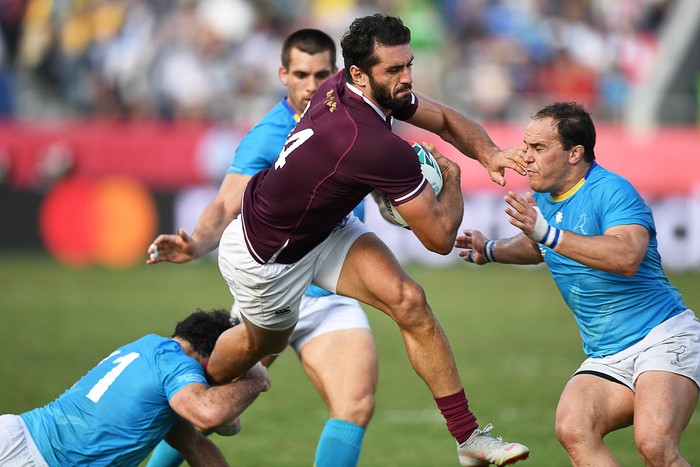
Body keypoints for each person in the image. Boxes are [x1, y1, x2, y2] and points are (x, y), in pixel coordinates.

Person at [149, 14, 530, 466]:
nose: (406, 77)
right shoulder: (370, 144)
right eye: (394, 70)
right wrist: (454, 178)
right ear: (358, 75)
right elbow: (441, 239)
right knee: (259, 347)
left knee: (409, 300)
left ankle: (469, 440)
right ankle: (186, 392)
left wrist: (489, 152)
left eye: (408, 64)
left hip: (322, 230)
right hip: (266, 259)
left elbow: (443, 117)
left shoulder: (353, 89)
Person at [147, 28, 378, 467]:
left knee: (356, 405)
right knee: (203, 412)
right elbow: (225, 201)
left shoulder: (355, 117)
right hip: (270, 292)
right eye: (301, 74)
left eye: (322, 73)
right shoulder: (268, 135)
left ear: (339, 73)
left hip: (330, 296)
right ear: (283, 75)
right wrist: (195, 244)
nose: (312, 85)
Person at [456, 101, 700, 466]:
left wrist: (548, 233)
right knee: (573, 428)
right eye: (526, 146)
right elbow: (540, 249)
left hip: (663, 338)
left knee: (655, 445)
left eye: (538, 149)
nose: (526, 157)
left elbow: (627, 256)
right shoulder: (544, 197)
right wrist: (490, 250)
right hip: (607, 354)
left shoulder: (613, 190)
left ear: (575, 153)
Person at [0, 309, 270, 467]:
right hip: (35, 459)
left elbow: (194, 446)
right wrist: (256, 379)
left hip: (17, 435)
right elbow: (208, 414)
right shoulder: (178, 365)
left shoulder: (147, 348)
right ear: (210, 357)